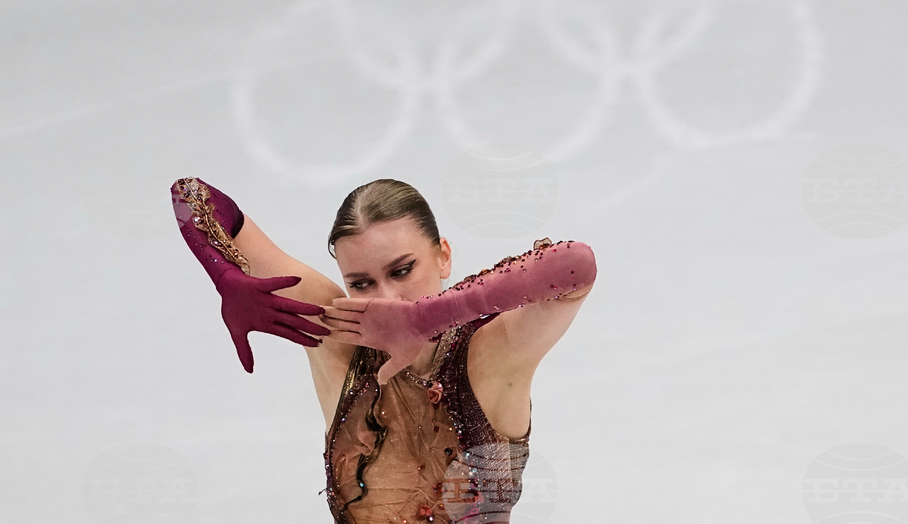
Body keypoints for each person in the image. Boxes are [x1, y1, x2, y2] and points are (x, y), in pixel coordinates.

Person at [170, 176, 597, 524]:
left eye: (402, 270)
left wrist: (424, 319)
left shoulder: (493, 353)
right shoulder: (339, 337)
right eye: (361, 283)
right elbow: (193, 195)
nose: (387, 298)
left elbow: (574, 265)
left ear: (443, 256)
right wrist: (223, 274)